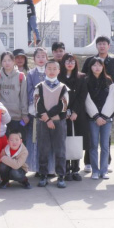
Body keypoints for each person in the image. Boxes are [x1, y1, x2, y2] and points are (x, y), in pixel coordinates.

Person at [81, 36, 114, 173]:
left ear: (108, 46)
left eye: (104, 44)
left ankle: (106, 163)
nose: (102, 46)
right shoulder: (90, 61)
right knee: (91, 138)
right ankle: (88, 163)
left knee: (105, 140)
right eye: (99, 44)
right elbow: (83, 77)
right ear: (96, 46)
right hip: (91, 109)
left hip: (107, 103)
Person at [35, 60, 69, 188]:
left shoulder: (63, 87)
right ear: (45, 70)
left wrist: (50, 117)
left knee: (60, 150)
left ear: (59, 71)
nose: (51, 71)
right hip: (43, 123)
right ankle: (43, 175)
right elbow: (37, 104)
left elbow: (63, 106)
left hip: (58, 122)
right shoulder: (39, 86)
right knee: (43, 149)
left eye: (54, 68)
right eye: (49, 68)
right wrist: (47, 119)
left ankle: (61, 176)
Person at [58, 53, 88, 181]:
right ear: (63, 63)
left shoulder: (81, 77)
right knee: (64, 141)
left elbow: (82, 96)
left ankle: (75, 169)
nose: (70, 64)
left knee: (76, 141)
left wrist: (75, 111)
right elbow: (57, 97)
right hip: (62, 114)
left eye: (72, 62)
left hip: (77, 115)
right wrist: (64, 111)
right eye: (67, 61)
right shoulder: (58, 77)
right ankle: (65, 170)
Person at [84, 57, 114, 180]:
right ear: (90, 67)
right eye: (94, 65)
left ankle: (104, 170)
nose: (97, 67)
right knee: (93, 145)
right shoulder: (86, 81)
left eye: (99, 65)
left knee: (105, 145)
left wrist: (104, 116)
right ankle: (95, 171)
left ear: (103, 67)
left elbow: (111, 100)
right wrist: (96, 116)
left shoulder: (109, 81)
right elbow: (87, 99)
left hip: (106, 119)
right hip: (92, 119)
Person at [25, 47, 49, 175]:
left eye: (43, 56)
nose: (41, 59)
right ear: (34, 59)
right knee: (34, 139)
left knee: (47, 140)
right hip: (34, 111)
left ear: (47, 58)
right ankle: (35, 167)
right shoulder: (31, 73)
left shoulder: (50, 71)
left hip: (49, 111)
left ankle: (48, 168)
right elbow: (28, 90)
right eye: (38, 57)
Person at [0, 52, 28, 138]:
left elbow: (24, 96)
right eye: (4, 61)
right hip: (2, 116)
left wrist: (25, 114)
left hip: (16, 116)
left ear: (14, 61)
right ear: (1, 62)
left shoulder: (20, 76)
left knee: (16, 142)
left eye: (9, 60)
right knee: (3, 143)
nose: (7, 63)